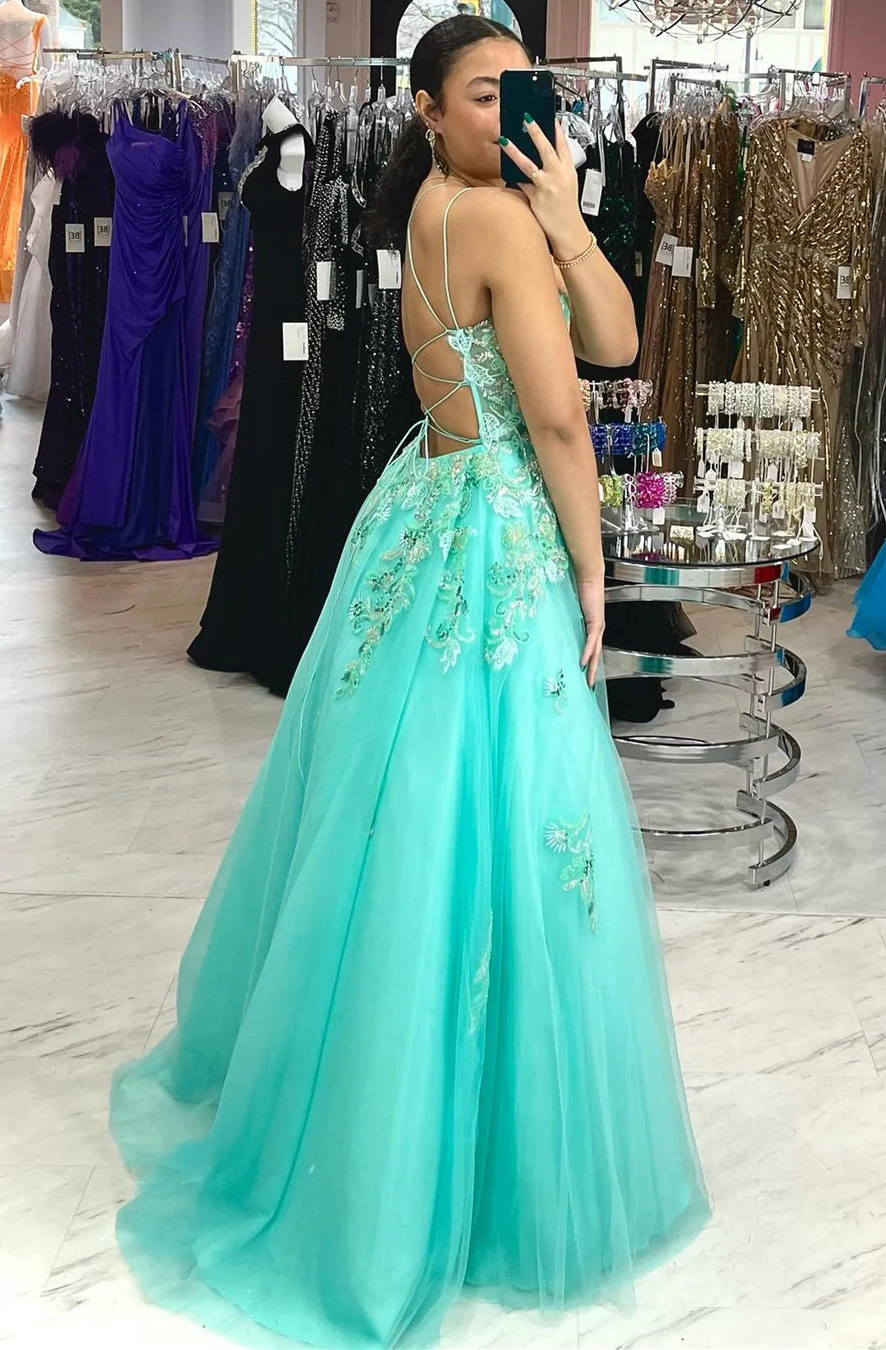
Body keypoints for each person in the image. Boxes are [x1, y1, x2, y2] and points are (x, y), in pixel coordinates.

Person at [109, 17, 710, 1349]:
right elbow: (563, 416)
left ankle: (394, 1119)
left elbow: (615, 337)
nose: (510, 113)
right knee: (490, 821)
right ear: (428, 109)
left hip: (428, 502)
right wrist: (594, 570)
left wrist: (568, 215)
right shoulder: (486, 216)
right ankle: (464, 1165)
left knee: (408, 816)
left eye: (522, 90)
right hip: (496, 532)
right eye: (483, 95)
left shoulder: (452, 203)